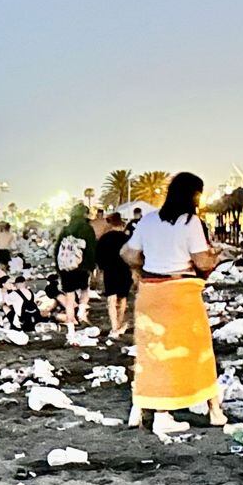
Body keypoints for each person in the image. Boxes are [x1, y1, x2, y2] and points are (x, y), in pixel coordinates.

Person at [121, 171, 221, 432]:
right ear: (193, 195)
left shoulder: (149, 221)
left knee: (152, 353)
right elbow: (201, 262)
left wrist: (148, 264)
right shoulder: (191, 222)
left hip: (151, 292)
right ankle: (207, 411)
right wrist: (216, 257)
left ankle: (142, 406)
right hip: (180, 293)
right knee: (197, 351)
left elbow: (128, 253)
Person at [55, 204, 97, 332]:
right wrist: (92, 266)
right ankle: (81, 312)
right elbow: (91, 249)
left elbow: (57, 249)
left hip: (66, 267)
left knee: (69, 294)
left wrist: (59, 267)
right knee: (84, 290)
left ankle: (70, 319)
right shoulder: (87, 229)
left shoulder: (65, 229)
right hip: (82, 266)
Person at [94, 210, 133, 340]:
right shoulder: (126, 238)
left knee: (111, 299)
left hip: (110, 271)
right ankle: (120, 322)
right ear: (121, 223)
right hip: (124, 270)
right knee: (122, 299)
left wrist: (99, 272)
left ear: (110, 223)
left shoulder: (104, 239)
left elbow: (98, 257)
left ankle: (114, 326)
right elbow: (133, 256)